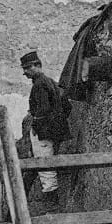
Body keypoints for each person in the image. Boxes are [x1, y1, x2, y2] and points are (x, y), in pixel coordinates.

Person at [20, 51, 71, 213]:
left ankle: (52, 207)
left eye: (28, 68)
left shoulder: (40, 84)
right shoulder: (51, 82)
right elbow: (67, 106)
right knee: (40, 167)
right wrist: (58, 123)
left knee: (45, 167)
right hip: (54, 132)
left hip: (43, 133)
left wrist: (36, 124)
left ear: (38, 66)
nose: (25, 72)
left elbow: (42, 110)